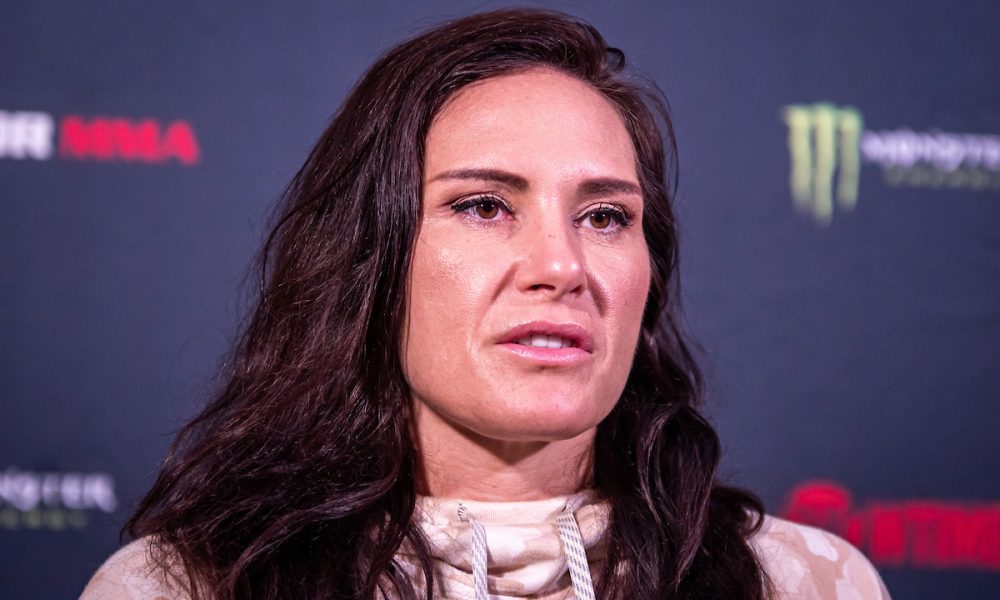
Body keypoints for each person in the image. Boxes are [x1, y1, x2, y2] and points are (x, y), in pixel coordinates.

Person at [82, 8, 890, 600]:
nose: (561, 267)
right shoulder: (186, 587)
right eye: (484, 206)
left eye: (604, 217)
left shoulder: (803, 584)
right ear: (371, 259)